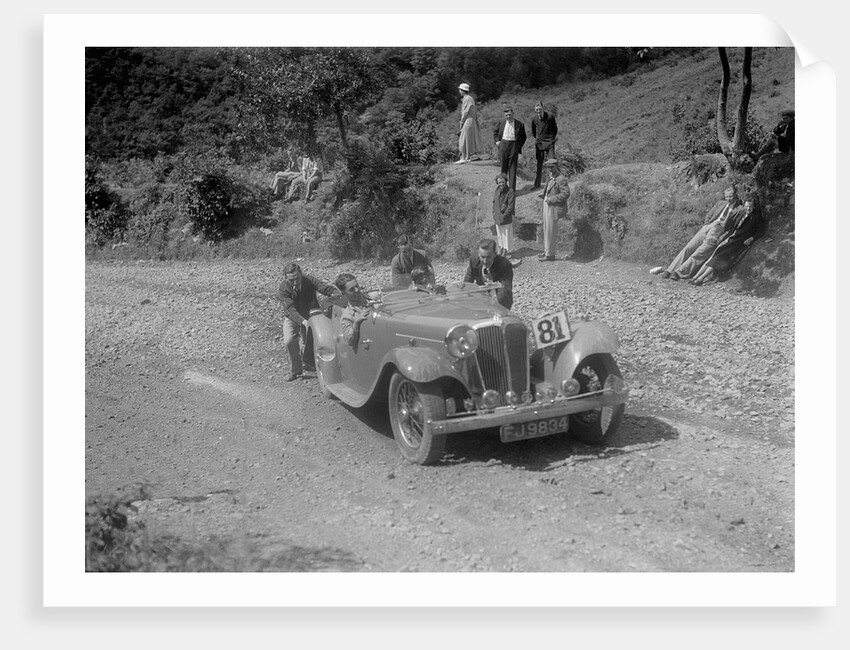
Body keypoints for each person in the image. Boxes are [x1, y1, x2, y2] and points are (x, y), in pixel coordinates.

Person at [658, 185, 741, 281]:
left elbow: (733, 227)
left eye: (730, 196)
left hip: (718, 231)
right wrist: (706, 224)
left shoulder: (738, 209)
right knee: (689, 247)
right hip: (708, 226)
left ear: (735, 196)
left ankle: (680, 272)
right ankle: (670, 269)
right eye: (726, 196)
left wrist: (722, 236)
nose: (728, 199)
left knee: (700, 253)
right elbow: (709, 214)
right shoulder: (720, 203)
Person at [278, 262, 341, 381]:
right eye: (291, 280)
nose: (295, 282)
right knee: (289, 340)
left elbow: (325, 288)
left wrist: (335, 294)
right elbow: (290, 310)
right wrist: (303, 322)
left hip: (311, 314)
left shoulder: (309, 280)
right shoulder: (283, 289)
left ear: (301, 275)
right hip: (293, 317)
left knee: (311, 343)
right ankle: (296, 370)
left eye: (297, 278)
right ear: (286, 279)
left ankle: (316, 368)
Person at [689, 198, 767, 286]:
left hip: (740, 242)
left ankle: (701, 278)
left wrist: (751, 239)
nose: (748, 208)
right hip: (732, 239)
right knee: (714, 255)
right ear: (744, 207)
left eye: (750, 206)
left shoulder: (756, 217)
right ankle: (696, 277)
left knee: (719, 256)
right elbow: (733, 229)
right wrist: (725, 238)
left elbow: (760, 231)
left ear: (753, 207)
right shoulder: (742, 214)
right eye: (746, 206)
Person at [463, 238, 514, 310]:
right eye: (482, 257)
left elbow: (506, 290)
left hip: (499, 289)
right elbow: (467, 280)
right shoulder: (474, 260)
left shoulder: (504, 265)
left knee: (502, 296)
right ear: (478, 254)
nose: (485, 261)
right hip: (481, 289)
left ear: (495, 254)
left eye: (488, 257)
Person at [539, 158, 570, 262]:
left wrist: (552, 199)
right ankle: (547, 250)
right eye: (548, 167)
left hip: (553, 207)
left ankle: (550, 254)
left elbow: (565, 194)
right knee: (546, 229)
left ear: (556, 166)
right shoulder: (551, 177)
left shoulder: (561, 179)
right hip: (547, 205)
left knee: (551, 231)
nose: (550, 169)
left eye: (552, 167)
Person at [493, 106, 527, 190]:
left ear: (513, 114)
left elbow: (523, 137)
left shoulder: (519, 124)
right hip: (503, 144)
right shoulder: (501, 122)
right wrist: (497, 141)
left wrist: (518, 146)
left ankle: (512, 190)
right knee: (503, 168)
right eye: (506, 115)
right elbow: (495, 132)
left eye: (509, 115)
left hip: (514, 145)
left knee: (513, 168)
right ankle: (503, 188)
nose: (508, 117)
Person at [334, 273, 370, 348]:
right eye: (351, 289)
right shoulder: (347, 317)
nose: (356, 290)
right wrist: (356, 323)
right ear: (344, 293)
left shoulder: (373, 298)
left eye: (357, 286)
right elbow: (349, 341)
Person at [456, 83, 486, 164]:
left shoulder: (468, 99)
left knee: (464, 138)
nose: (459, 91)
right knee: (466, 137)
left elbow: (465, 112)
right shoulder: (468, 98)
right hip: (469, 119)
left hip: (468, 119)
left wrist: (461, 121)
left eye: (460, 90)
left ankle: (464, 157)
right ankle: (466, 157)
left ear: (463, 90)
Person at [531, 101, 558, 189]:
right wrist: (538, 139)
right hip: (539, 143)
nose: (538, 111)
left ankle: (554, 182)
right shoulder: (534, 118)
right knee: (539, 163)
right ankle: (537, 184)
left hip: (549, 142)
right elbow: (533, 132)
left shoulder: (550, 116)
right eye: (536, 110)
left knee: (552, 161)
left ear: (543, 108)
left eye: (539, 109)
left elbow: (555, 129)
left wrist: (551, 139)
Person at [492, 173, 516, 258]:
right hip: (498, 217)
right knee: (500, 235)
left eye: (503, 182)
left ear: (506, 182)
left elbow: (511, 206)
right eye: (499, 182)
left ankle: (505, 251)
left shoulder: (510, 191)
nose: (501, 184)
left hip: (506, 218)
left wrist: (504, 216)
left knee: (506, 235)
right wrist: (494, 213)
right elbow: (494, 202)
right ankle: (501, 249)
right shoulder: (497, 190)